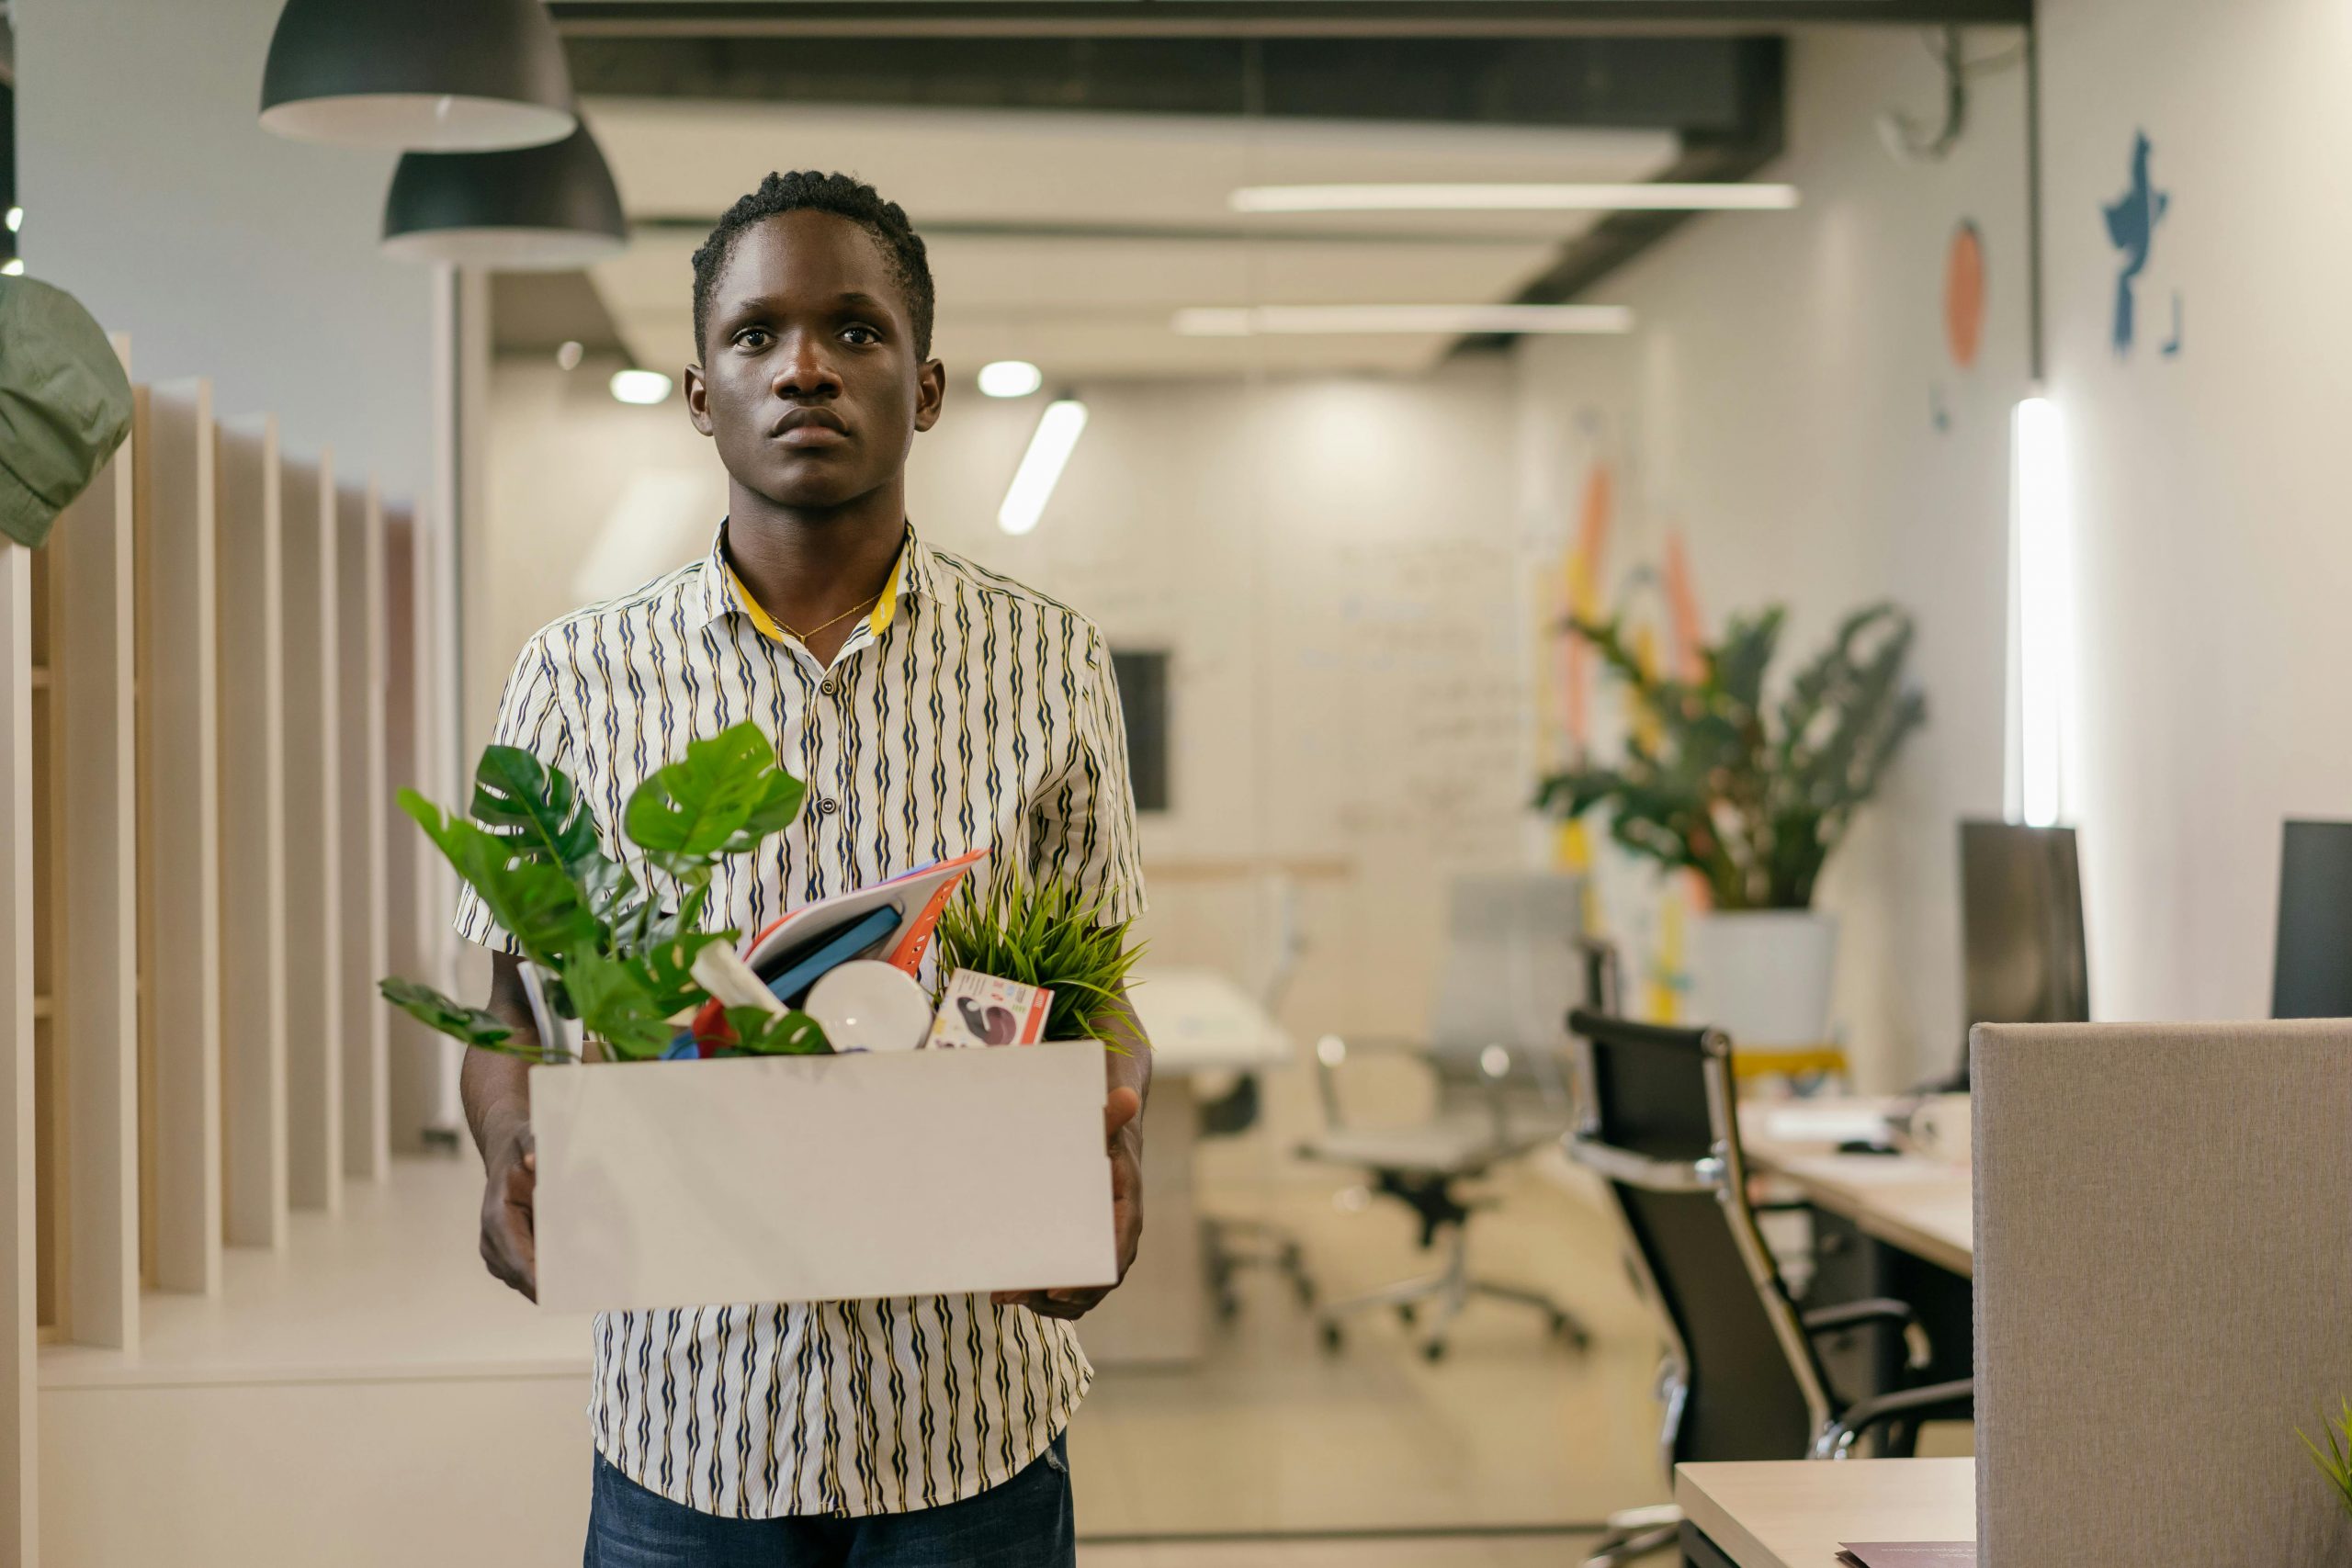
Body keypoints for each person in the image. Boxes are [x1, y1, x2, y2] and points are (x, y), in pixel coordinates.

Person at [453, 171, 1151, 1567]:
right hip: (688, 1429)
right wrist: (507, 1157)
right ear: (702, 393)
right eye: (757, 335)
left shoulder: (1050, 663)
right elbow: (505, 1010)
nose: (807, 367)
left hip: (973, 1421)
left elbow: (1101, 998)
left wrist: (1118, 1167)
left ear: (928, 387)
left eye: (856, 330)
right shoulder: (574, 678)